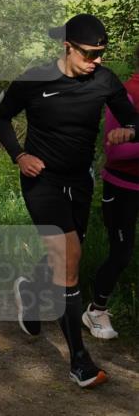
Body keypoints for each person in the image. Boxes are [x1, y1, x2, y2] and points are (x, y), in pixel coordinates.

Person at [0, 14, 138, 387]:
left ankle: (30, 288)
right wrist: (19, 156)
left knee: (69, 255)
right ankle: (79, 361)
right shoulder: (35, 78)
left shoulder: (104, 80)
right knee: (69, 258)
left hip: (80, 181)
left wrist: (128, 130)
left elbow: (133, 120)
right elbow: (0, 118)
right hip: (41, 181)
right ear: (67, 47)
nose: (96, 61)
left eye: (101, 53)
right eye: (89, 53)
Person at [83, 43, 139, 339]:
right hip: (122, 186)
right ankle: (96, 310)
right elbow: (114, 152)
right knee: (121, 253)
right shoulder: (127, 93)